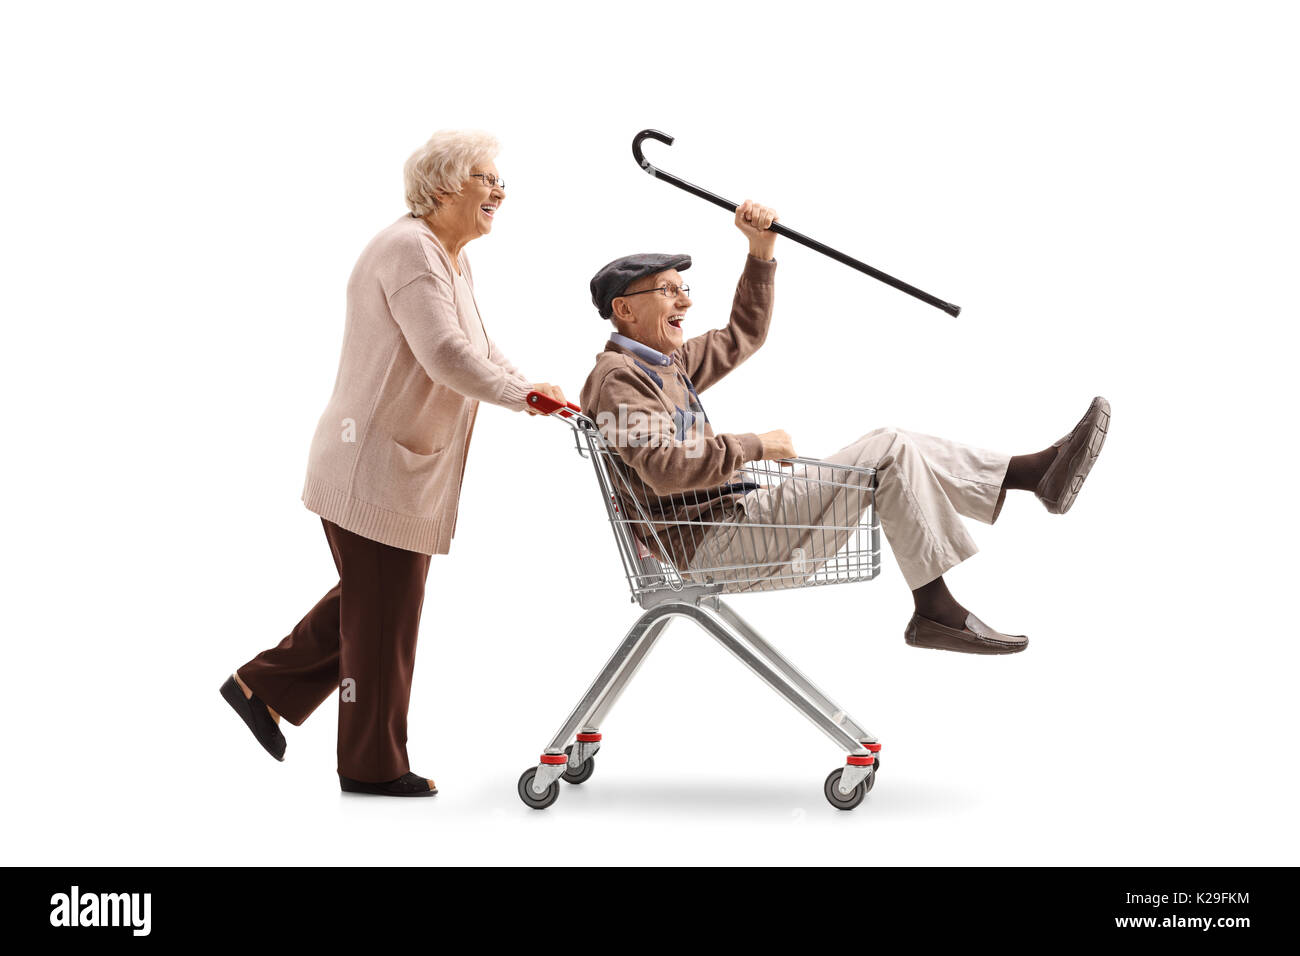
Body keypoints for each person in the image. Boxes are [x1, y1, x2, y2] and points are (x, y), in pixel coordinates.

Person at [580, 199, 1109, 655]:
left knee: (892, 454)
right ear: (624, 309)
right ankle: (1012, 501)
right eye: (669, 291)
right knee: (887, 447)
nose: (686, 300)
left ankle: (951, 586)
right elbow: (665, 470)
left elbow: (743, 333)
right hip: (717, 542)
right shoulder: (619, 379)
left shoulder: (662, 363)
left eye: (683, 288)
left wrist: (760, 250)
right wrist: (754, 445)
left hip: (738, 523)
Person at [221, 130, 567, 795]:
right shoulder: (411, 252)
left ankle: (259, 686)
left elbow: (481, 350)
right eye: (486, 179)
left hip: (394, 464)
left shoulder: (448, 257)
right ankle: (371, 767)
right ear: (443, 187)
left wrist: (531, 385)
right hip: (374, 464)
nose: (501, 190)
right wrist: (523, 399)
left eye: (500, 180)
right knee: (384, 619)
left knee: (371, 604)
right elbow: (445, 355)